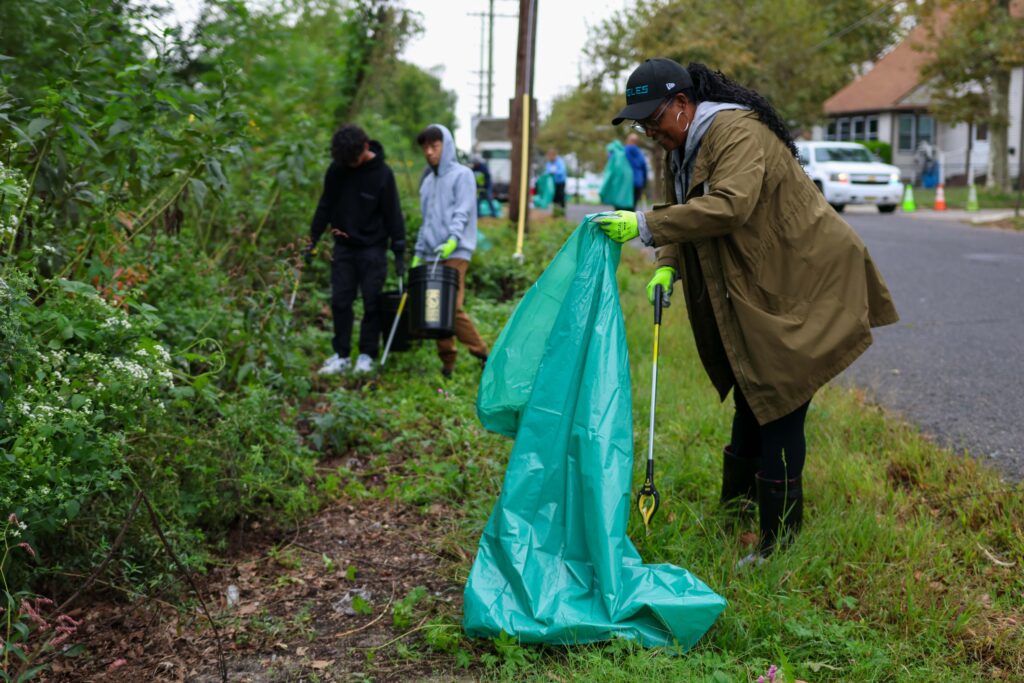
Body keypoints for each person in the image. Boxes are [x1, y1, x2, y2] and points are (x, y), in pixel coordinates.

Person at [592, 58, 898, 564]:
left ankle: (778, 544)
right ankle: (734, 511)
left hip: (806, 276)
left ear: (684, 105)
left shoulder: (735, 132)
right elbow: (680, 215)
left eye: (653, 119)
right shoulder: (680, 150)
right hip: (763, 280)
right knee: (753, 392)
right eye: (640, 124)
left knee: (779, 398)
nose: (649, 131)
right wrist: (667, 264)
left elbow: (731, 206)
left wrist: (643, 227)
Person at [306, 124, 405, 376]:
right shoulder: (337, 170)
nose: (350, 165)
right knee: (341, 301)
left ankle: (366, 355)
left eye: (354, 159)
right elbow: (325, 206)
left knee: (372, 302)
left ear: (365, 146)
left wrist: (399, 248)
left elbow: (393, 214)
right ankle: (341, 355)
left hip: (373, 248)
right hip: (344, 247)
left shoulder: (382, 173)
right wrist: (311, 240)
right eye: (345, 161)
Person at [411, 124, 489, 378]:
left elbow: (463, 210)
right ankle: (447, 363)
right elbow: (427, 220)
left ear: (446, 146)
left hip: (456, 252)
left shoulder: (462, 175)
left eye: (435, 146)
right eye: (426, 148)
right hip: (432, 254)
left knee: (450, 307)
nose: (430, 152)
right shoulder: (428, 181)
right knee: (435, 308)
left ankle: (482, 353)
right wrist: (418, 251)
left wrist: (454, 239)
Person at [599, 139, 635, 210]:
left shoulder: (615, 156)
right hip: (628, 188)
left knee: (619, 211)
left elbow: (610, 173)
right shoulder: (623, 153)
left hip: (618, 188)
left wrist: (602, 190)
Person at [624, 133, 649, 209]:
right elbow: (644, 169)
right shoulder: (640, 153)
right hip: (637, 183)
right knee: (632, 206)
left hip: (625, 183)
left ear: (628, 140)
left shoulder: (623, 151)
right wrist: (644, 183)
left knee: (621, 207)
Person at [544, 149, 567, 215]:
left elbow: (562, 171)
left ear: (554, 155)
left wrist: (554, 172)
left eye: (550, 156)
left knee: (561, 196)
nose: (549, 158)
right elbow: (547, 171)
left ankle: (562, 212)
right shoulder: (549, 163)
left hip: (560, 182)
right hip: (553, 183)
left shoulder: (559, 162)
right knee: (554, 198)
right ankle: (555, 212)